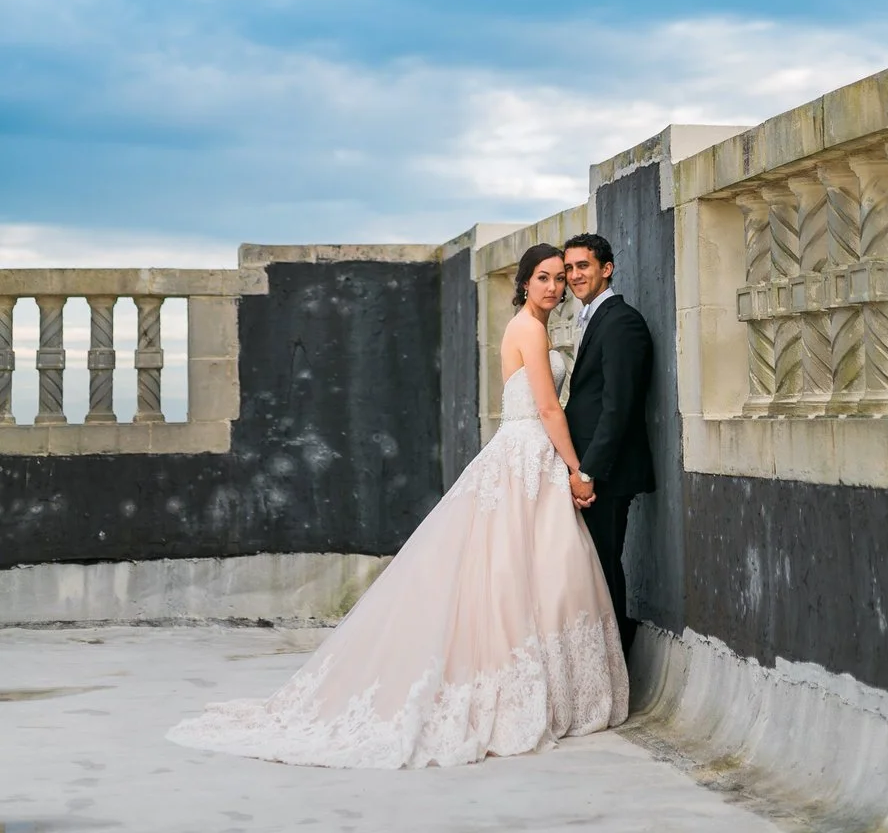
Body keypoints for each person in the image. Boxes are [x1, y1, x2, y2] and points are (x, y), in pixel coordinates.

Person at [167, 244, 627, 769]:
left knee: (531, 571)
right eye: (542, 278)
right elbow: (546, 407)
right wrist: (575, 469)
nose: (553, 287)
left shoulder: (527, 327)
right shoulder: (529, 328)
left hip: (523, 454)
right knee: (525, 571)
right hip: (529, 453)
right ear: (522, 284)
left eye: (558, 280)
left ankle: (542, 682)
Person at [562, 234, 655, 656]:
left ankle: (618, 666)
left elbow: (618, 408)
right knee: (591, 570)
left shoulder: (622, 322)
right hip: (589, 470)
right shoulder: (591, 318)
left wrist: (587, 472)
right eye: (570, 268)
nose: (575, 275)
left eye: (584, 266)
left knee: (602, 571)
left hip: (607, 475)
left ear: (607, 268)